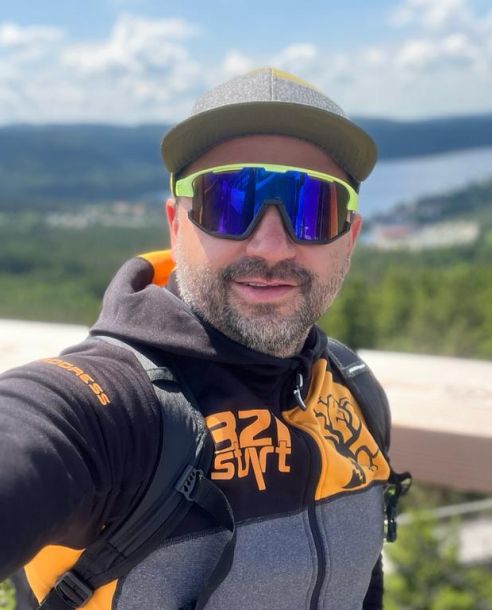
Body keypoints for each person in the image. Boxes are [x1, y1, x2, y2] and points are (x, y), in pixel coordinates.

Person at [0, 67, 393, 609]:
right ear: (176, 224)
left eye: (314, 208)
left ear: (349, 237)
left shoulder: (352, 390)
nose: (272, 246)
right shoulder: (117, 408)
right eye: (227, 201)